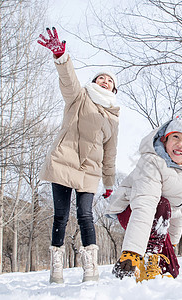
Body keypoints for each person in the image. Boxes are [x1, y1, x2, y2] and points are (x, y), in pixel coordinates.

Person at [37, 27, 120, 283]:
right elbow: (69, 80)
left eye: (109, 81)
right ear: (94, 82)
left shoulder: (114, 117)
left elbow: (110, 153)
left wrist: (108, 183)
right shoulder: (79, 97)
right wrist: (62, 57)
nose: (105, 82)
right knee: (60, 215)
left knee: (85, 214)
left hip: (89, 170)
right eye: (101, 78)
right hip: (64, 161)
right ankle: (56, 267)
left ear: (114, 89)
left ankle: (91, 267)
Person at [105, 109, 182, 282]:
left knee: (171, 271)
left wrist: (172, 243)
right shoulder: (152, 162)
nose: (180, 144)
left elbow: (180, 211)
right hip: (130, 209)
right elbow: (144, 205)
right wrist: (132, 251)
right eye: (175, 137)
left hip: (159, 220)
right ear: (164, 139)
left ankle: (155, 259)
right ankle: (145, 258)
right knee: (162, 204)